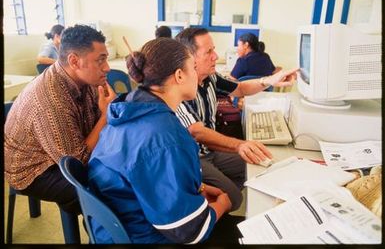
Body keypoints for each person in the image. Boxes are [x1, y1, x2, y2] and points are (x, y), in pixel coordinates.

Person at [87, 37, 232, 243]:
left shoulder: (127, 110)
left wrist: (197, 188)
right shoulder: (167, 138)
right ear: (180, 75)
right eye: (193, 67)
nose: (197, 73)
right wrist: (222, 205)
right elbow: (189, 231)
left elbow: (143, 174)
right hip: (144, 236)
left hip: (116, 228)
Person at [175, 28, 297, 211]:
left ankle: (217, 189)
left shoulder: (210, 78)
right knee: (235, 199)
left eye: (213, 49)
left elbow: (239, 88)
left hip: (211, 151)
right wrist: (239, 145)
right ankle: (205, 205)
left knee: (265, 163)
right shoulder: (179, 87)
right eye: (208, 52)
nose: (215, 56)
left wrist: (270, 80)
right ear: (189, 58)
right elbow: (196, 131)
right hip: (194, 158)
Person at [4, 24, 116, 215]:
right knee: (104, 187)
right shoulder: (50, 100)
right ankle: (101, 231)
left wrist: (106, 114)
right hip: (33, 169)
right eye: (100, 60)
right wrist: (106, 115)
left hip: (63, 150)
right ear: (74, 61)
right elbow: (78, 162)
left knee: (120, 165)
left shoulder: (86, 79)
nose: (107, 67)